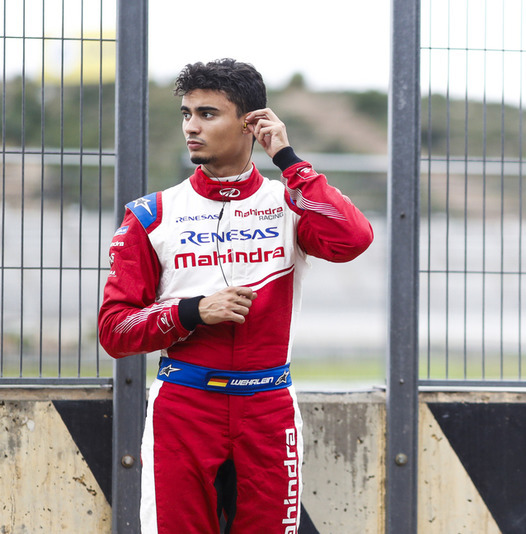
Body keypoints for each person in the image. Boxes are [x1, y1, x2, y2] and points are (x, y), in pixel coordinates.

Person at [98, 58, 373, 533]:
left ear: (251, 123)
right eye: (187, 113)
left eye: (207, 114)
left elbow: (353, 238)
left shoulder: (288, 203)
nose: (191, 127)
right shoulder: (151, 214)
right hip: (183, 404)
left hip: (269, 405)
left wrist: (288, 160)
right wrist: (192, 312)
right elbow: (114, 331)